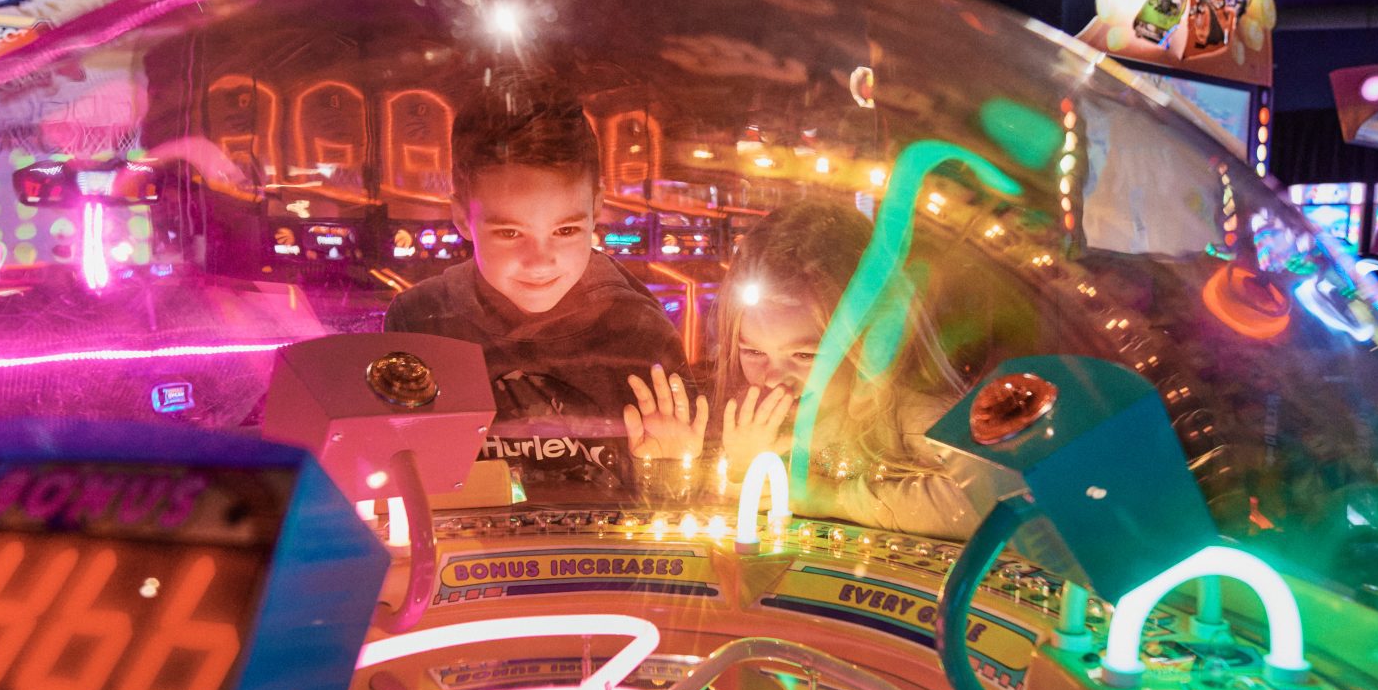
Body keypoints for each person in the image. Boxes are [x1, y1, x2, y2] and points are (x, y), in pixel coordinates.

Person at [385, 88, 686, 501]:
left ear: (597, 207)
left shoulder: (639, 331)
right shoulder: (420, 320)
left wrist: (671, 474)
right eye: (510, 233)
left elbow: (676, 501)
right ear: (460, 216)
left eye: (565, 231)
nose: (540, 262)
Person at [689, 200, 990, 538]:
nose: (772, 378)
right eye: (754, 351)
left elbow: (988, 502)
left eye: (804, 355)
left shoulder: (908, 411)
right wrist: (744, 466)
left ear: (867, 345)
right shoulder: (750, 416)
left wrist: (830, 499)